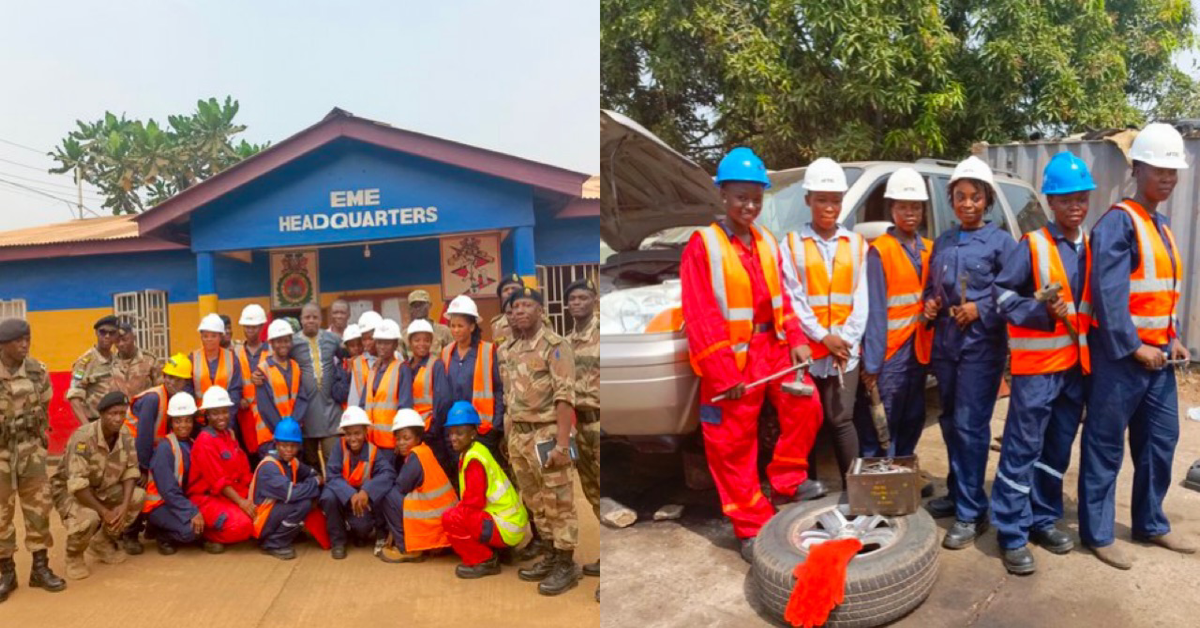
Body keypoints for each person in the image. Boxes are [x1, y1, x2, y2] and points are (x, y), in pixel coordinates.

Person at [679, 147, 825, 562]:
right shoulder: (702, 245)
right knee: (732, 444)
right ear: (723, 195)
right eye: (741, 196)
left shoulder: (765, 240)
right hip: (729, 360)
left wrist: (796, 338)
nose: (750, 205)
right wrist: (724, 375)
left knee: (807, 405)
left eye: (757, 197)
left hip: (772, 347)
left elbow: (782, 298)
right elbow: (701, 314)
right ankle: (748, 523)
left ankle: (786, 478)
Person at [1081, 123, 1197, 569]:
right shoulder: (1118, 223)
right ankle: (1099, 532)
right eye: (1160, 170)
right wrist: (1133, 348)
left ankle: (1150, 523)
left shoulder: (1163, 226)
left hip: (1159, 357)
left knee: (1161, 442)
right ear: (1138, 168)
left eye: (1174, 171)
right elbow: (1109, 298)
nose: (1168, 178)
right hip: (1122, 361)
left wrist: (1173, 338)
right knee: (1105, 446)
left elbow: (1155, 293)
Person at [989, 152, 1095, 574]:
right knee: (1021, 449)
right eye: (1066, 199)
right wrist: (1039, 314)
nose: (1075, 206)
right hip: (1036, 372)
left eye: (1081, 198)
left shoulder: (1092, 248)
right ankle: (1011, 531)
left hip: (1073, 369)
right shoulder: (1033, 245)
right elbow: (1002, 296)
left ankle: (1042, 518)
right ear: (1051, 202)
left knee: (1055, 451)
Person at [922, 156, 1017, 549]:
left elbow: (1013, 295)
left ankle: (972, 512)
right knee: (948, 422)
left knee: (971, 427)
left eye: (974, 197)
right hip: (946, 346)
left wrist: (981, 308)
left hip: (980, 348)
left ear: (986, 200)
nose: (966, 204)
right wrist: (929, 305)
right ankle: (959, 492)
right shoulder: (943, 241)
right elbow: (932, 289)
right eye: (960, 197)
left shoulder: (1001, 244)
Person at [780, 157, 868, 481]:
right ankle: (810, 490)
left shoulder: (857, 245)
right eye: (821, 200)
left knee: (841, 419)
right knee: (808, 422)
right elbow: (793, 296)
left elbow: (862, 299)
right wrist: (821, 337)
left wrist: (845, 340)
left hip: (844, 351)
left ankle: (854, 491)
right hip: (808, 352)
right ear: (808, 200)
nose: (829, 207)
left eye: (834, 200)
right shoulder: (791, 245)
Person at [503, 287, 582, 596]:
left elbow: (565, 397)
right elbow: (511, 398)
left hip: (548, 433)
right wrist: (511, 438)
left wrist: (563, 444)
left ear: (540, 310)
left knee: (558, 500)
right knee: (536, 501)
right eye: (515, 306)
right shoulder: (511, 348)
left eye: (527, 305)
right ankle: (550, 554)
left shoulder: (556, 346)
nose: (520, 310)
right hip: (520, 436)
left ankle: (567, 562)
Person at [859, 168, 934, 458]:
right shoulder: (881, 251)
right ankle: (878, 480)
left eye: (915, 206)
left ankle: (902, 471)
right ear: (892, 209)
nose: (910, 213)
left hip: (918, 350)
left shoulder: (929, 249)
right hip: (890, 354)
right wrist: (873, 364)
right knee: (882, 419)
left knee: (913, 415)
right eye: (903, 206)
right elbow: (875, 311)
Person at [0, 317, 66, 600]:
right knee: (1, 514)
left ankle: (40, 568)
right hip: (0, 453)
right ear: (3, 345)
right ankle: (6, 571)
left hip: (31, 450)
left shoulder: (38, 372)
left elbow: (46, 402)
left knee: (38, 510)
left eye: (27, 338)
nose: (25, 344)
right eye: (18, 340)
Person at [51, 391, 145, 580]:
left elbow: (131, 470)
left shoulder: (125, 434)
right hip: (71, 492)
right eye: (112, 414)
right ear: (101, 414)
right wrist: (104, 511)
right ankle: (74, 556)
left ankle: (102, 541)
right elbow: (77, 485)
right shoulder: (83, 438)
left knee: (138, 497)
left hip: (103, 488)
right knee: (89, 518)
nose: (118, 418)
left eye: (121, 413)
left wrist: (124, 506)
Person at [442, 401, 529, 580]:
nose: (453, 437)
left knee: (451, 518)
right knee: (460, 513)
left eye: (459, 432)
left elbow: (473, 503)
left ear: (473, 433)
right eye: (451, 433)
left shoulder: (474, 459)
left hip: (507, 526)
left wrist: (454, 518)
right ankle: (501, 550)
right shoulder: (475, 450)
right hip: (511, 524)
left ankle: (485, 560)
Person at [432, 295, 505, 481]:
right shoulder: (446, 352)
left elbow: (498, 389)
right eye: (453, 325)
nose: (455, 330)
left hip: (482, 429)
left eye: (460, 326)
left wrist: (496, 426)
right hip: (455, 429)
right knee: (461, 477)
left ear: (472, 327)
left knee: (483, 477)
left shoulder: (488, 351)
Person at [379, 408, 457, 563]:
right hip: (443, 521)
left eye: (406, 438)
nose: (401, 443)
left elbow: (401, 487)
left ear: (418, 437)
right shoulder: (425, 451)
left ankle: (407, 548)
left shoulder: (416, 457)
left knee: (388, 495)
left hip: (434, 520)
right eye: (398, 438)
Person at [187, 386, 255, 553]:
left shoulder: (227, 435)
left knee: (261, 513)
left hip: (229, 494)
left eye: (224, 412)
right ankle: (205, 536)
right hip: (207, 499)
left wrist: (253, 495)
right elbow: (218, 481)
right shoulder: (205, 441)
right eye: (215, 413)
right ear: (207, 415)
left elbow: (242, 470)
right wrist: (242, 503)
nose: (221, 417)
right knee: (243, 526)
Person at [319, 407, 393, 559]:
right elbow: (332, 476)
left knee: (362, 527)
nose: (353, 438)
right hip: (342, 496)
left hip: (360, 500)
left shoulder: (373, 451)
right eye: (349, 434)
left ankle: (356, 532)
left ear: (366, 432)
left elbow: (388, 474)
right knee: (327, 497)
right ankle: (338, 542)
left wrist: (367, 491)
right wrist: (350, 494)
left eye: (357, 433)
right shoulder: (338, 447)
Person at [565, 277, 601, 588]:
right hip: (579, 427)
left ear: (594, 300)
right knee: (592, 492)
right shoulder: (565, 342)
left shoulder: (604, 334)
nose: (577, 302)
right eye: (573, 298)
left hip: (603, 424)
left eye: (583, 297)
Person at [250, 417, 322, 560]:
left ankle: (284, 534)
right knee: (303, 503)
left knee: (307, 499)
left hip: (273, 513)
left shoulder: (292, 461)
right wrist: (314, 483)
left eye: (293, 446)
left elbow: (312, 473)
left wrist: (313, 482)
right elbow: (292, 494)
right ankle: (273, 543)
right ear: (276, 444)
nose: (289, 450)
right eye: (284, 445)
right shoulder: (269, 467)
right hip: (260, 522)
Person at [143, 393, 205, 555]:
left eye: (187, 420)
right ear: (171, 422)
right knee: (192, 532)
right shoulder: (165, 447)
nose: (183, 425)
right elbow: (168, 490)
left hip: (177, 502)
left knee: (207, 523)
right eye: (178, 421)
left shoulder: (192, 444)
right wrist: (191, 512)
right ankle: (161, 533)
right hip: (159, 505)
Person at [289, 303, 343, 466]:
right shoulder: (292, 343)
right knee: (310, 461)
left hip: (331, 412)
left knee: (332, 458)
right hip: (306, 413)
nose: (311, 321)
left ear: (321, 320)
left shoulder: (333, 340)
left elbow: (347, 359)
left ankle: (334, 490)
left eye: (315, 317)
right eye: (307, 317)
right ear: (301, 320)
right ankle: (316, 490)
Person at [126, 353, 194, 480]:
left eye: (177, 379)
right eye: (169, 377)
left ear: (186, 382)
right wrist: (143, 469)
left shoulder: (176, 397)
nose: (171, 382)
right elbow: (144, 437)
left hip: (153, 452)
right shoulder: (153, 399)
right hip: (131, 452)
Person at [252, 320, 308, 457]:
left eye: (286, 341)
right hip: (271, 436)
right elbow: (265, 407)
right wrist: (284, 432)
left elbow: (302, 398)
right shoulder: (263, 369)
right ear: (271, 343)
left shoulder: (295, 366)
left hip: (293, 435)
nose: (283, 345)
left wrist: (292, 427)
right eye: (278, 341)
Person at [360, 320, 413, 449]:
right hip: (371, 441)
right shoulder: (374, 369)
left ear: (395, 344)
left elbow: (405, 408)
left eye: (387, 343)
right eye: (379, 342)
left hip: (390, 443)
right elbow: (363, 404)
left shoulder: (402, 369)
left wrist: (400, 441)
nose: (382, 346)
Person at [66, 315, 121, 424]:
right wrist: (88, 428)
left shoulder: (117, 360)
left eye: (112, 333)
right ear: (96, 333)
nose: (107, 336)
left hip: (116, 422)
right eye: (103, 332)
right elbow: (74, 397)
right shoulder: (85, 362)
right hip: (96, 422)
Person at [191, 313, 244, 428]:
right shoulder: (193, 358)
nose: (209, 339)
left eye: (213, 336)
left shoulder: (231, 358)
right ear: (201, 337)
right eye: (205, 336)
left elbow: (236, 390)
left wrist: (227, 417)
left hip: (226, 420)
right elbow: (189, 389)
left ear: (220, 336)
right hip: (200, 421)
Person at [234, 304, 269, 458]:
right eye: (247, 327)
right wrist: (239, 398)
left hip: (266, 413)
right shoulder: (235, 352)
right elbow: (232, 380)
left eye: (254, 327)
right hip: (243, 413)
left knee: (265, 452)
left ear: (261, 327)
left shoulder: (271, 351)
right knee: (246, 455)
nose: (249, 330)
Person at [110, 321, 161, 400]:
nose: (121, 344)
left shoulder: (149, 360)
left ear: (134, 337)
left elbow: (160, 388)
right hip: (120, 410)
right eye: (117, 341)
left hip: (143, 409)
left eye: (125, 339)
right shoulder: (110, 362)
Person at [404, 320, 439, 429]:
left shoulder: (436, 365)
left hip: (428, 428)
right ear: (410, 342)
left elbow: (442, 401)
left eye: (426, 340)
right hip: (410, 427)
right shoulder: (405, 367)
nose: (422, 344)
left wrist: (433, 428)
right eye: (417, 340)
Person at [401, 290, 454, 357]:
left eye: (421, 305)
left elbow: (452, 355)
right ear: (410, 308)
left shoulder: (444, 331)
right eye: (414, 305)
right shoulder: (405, 335)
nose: (418, 308)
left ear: (429, 306)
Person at [347, 311, 383, 409]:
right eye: (364, 339)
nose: (367, 344)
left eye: (371, 339)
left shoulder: (396, 357)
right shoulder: (357, 363)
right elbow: (354, 400)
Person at [491, 274, 525, 345]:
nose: (510, 292)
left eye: (514, 289)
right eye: (506, 290)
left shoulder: (536, 319)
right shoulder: (496, 324)